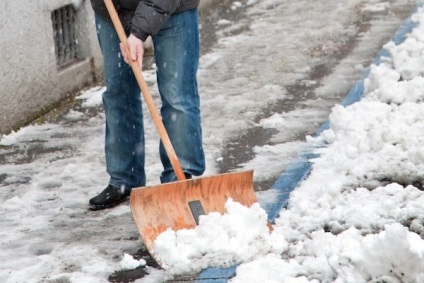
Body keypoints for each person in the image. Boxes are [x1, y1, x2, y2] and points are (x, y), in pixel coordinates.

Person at [88, 0, 205, 210]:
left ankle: (181, 178)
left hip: (174, 8)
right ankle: (125, 178)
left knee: (177, 95)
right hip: (112, 9)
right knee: (118, 94)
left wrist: (138, 32)